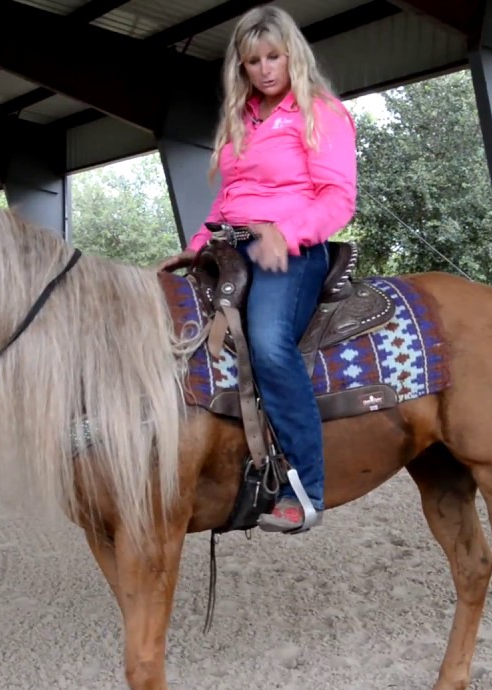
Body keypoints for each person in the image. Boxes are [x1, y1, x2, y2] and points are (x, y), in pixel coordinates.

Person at [156, 5, 357, 533]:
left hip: (291, 249)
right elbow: (229, 199)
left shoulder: (322, 113)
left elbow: (338, 198)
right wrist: (196, 244)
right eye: (253, 61)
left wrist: (284, 236)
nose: (266, 69)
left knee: (268, 345)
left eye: (274, 57)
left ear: (293, 55)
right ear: (241, 68)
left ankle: (307, 489)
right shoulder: (242, 119)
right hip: (232, 247)